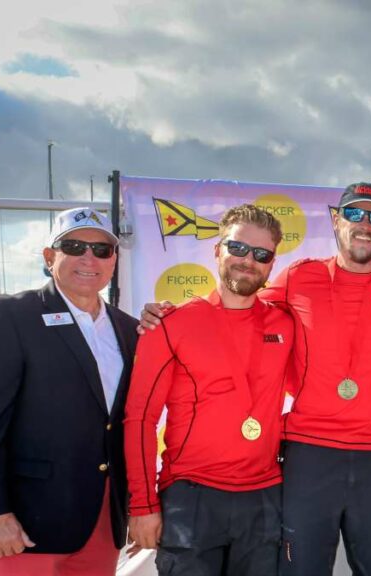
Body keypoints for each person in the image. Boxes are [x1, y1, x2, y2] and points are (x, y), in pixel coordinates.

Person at [142, 183, 371, 575]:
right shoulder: (299, 276)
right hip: (309, 454)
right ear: (336, 220)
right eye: (355, 213)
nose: (365, 224)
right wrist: (171, 312)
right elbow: (238, 302)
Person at [0, 207, 137, 575]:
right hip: (22, 525)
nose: (89, 258)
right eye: (74, 246)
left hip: (102, 523)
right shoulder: (8, 316)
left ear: (114, 261)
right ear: (50, 257)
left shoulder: (129, 329)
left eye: (102, 250)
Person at [125, 205, 295, 575]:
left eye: (261, 254)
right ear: (218, 250)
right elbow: (140, 419)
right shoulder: (170, 324)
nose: (248, 261)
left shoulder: (287, 323)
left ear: (271, 264)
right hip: (192, 497)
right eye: (237, 248)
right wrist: (142, 505)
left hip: (264, 497)